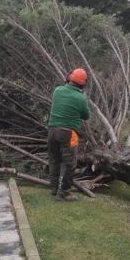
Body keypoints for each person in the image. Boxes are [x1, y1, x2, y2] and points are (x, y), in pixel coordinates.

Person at [47, 68, 91, 201]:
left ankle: (54, 188)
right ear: (83, 84)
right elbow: (86, 116)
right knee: (69, 164)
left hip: (52, 130)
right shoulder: (81, 97)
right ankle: (64, 193)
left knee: (54, 160)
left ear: (69, 78)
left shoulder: (58, 90)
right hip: (68, 133)